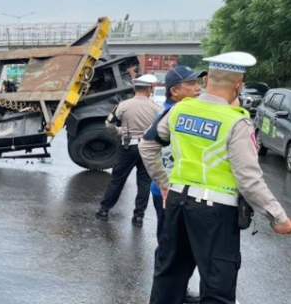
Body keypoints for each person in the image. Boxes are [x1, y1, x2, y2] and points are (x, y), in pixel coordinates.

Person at [139, 52, 291, 304]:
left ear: (207, 79)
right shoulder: (236, 121)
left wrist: (165, 185)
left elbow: (147, 146)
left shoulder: (180, 110)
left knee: (169, 277)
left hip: (177, 203)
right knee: (217, 287)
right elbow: (249, 179)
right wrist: (278, 217)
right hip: (215, 213)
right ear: (239, 85)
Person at [144, 66, 206, 304]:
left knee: (174, 243)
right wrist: (164, 185)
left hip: (175, 191)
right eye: (191, 84)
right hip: (167, 193)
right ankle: (165, 292)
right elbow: (148, 149)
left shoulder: (180, 111)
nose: (198, 88)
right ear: (175, 90)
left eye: (197, 83)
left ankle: (173, 289)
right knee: (168, 244)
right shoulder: (172, 114)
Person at [96, 74, 160, 227]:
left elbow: (109, 125)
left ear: (134, 88)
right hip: (147, 148)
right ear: (149, 89)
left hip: (127, 146)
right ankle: (138, 217)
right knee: (144, 183)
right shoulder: (156, 108)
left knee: (117, 180)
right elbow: (160, 130)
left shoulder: (123, 106)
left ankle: (104, 210)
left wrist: (120, 132)